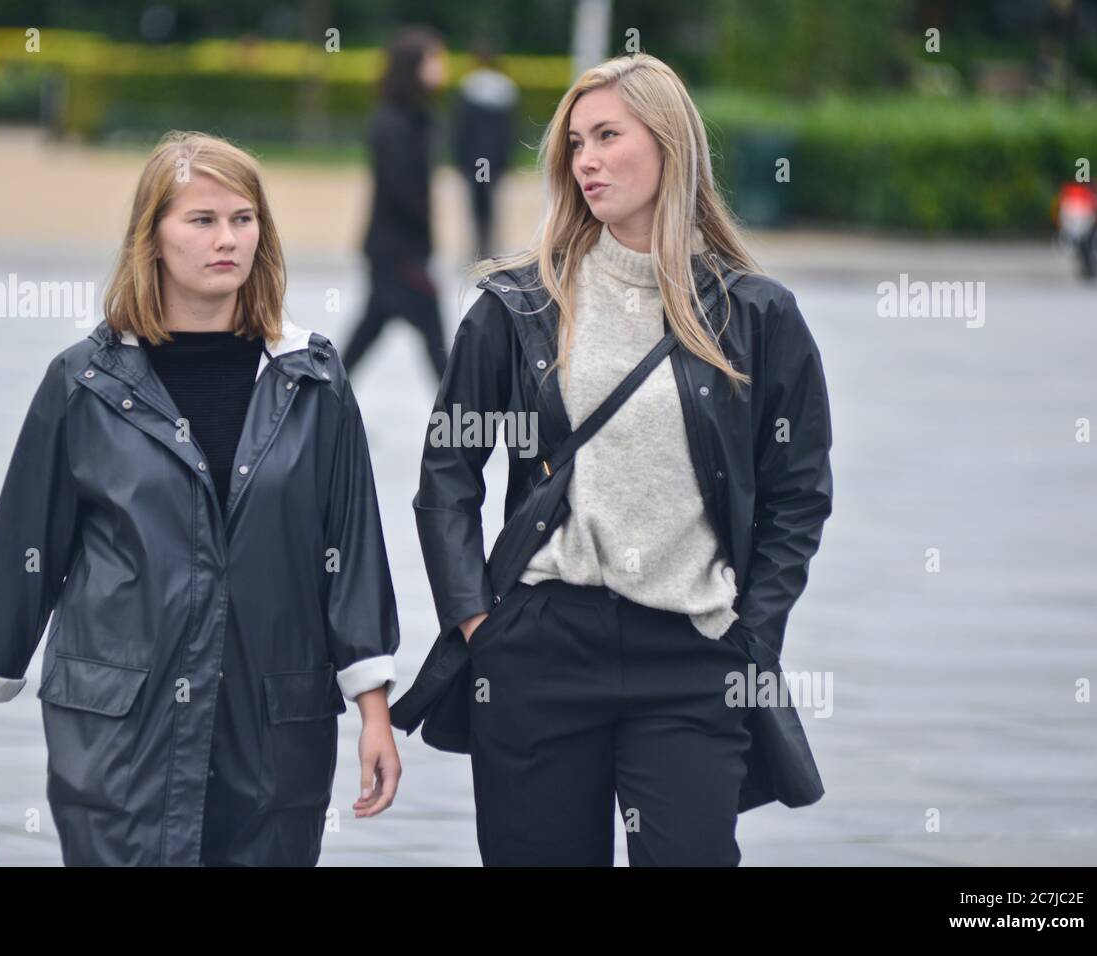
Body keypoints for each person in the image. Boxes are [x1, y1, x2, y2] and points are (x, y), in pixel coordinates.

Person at [396, 53, 834, 866]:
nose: (585, 159)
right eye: (574, 144)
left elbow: (798, 493)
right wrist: (475, 620)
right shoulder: (517, 304)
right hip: (539, 644)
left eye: (607, 136)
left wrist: (753, 632)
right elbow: (447, 478)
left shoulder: (757, 314)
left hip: (693, 654)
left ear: (670, 143)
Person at [0, 131, 402, 867]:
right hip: (120, 730)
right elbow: (23, 560)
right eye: (202, 220)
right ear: (151, 237)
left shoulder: (312, 381)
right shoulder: (83, 383)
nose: (228, 239)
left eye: (243, 219)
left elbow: (352, 552)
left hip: (271, 728)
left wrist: (375, 709)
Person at [343, 26, 449, 381]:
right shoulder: (394, 123)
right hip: (398, 251)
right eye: (435, 59)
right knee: (435, 338)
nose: (441, 67)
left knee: (370, 329)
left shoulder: (414, 117)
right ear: (414, 65)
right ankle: (462, 419)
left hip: (398, 250)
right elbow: (402, 188)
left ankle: (319, 396)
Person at [452, 38, 519, 258]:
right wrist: (508, 158)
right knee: (492, 203)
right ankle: (490, 248)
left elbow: (461, 129)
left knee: (475, 204)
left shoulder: (469, 87)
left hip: (474, 158)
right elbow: (509, 130)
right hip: (495, 157)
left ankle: (478, 248)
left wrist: (458, 160)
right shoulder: (505, 88)